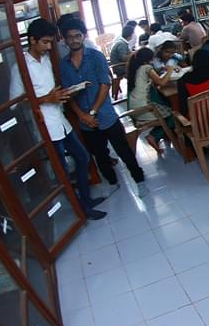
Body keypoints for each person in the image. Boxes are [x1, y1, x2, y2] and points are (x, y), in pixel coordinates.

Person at [9, 19, 107, 219]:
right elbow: (15, 104)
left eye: (51, 42)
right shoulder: (19, 67)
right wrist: (46, 99)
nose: (48, 46)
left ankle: (86, 200)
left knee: (82, 157)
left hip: (60, 120)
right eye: (45, 42)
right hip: (44, 126)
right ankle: (82, 209)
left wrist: (66, 93)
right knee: (62, 171)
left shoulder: (45, 60)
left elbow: (50, 91)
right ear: (32, 40)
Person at [59, 19, 149, 198]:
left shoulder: (95, 56)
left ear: (83, 36)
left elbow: (105, 84)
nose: (75, 40)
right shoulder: (63, 65)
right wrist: (83, 116)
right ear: (64, 40)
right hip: (85, 121)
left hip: (105, 115)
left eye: (78, 36)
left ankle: (139, 180)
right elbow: (68, 95)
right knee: (100, 155)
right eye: (70, 37)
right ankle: (113, 182)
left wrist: (92, 112)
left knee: (123, 150)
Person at [126, 47, 176, 156]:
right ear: (148, 59)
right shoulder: (146, 67)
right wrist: (170, 70)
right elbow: (161, 82)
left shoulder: (134, 68)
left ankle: (158, 136)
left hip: (134, 109)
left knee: (166, 106)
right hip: (144, 108)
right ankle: (154, 136)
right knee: (173, 115)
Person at [109, 25, 136, 99]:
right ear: (130, 34)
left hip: (119, 66)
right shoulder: (122, 44)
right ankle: (137, 92)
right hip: (120, 68)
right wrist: (134, 53)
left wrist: (133, 53)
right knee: (141, 69)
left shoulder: (121, 42)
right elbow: (123, 58)